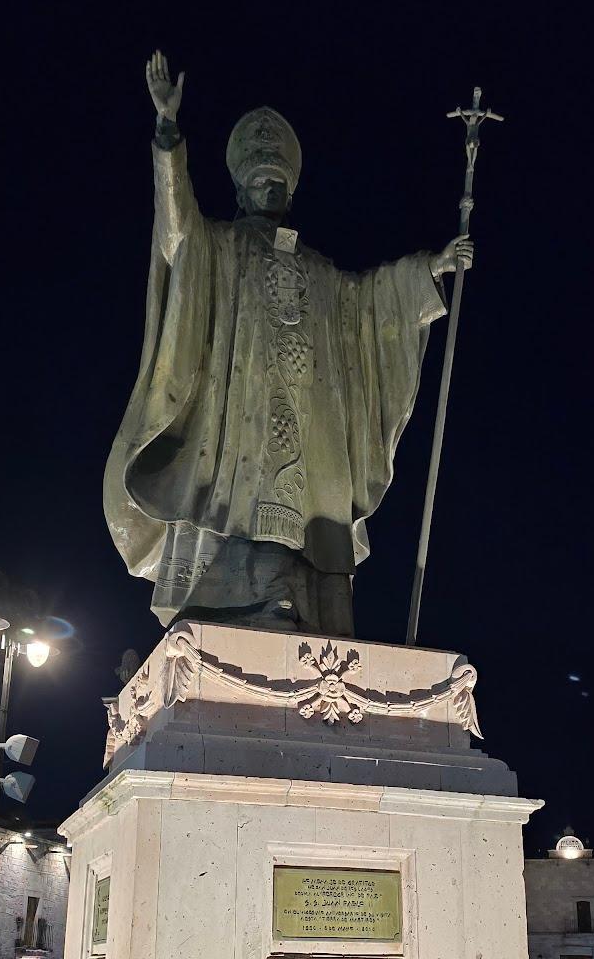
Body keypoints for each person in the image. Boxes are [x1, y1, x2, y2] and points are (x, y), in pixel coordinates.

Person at [105, 52, 471, 634]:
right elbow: (178, 235)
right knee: (239, 523)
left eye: (278, 183)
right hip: (239, 433)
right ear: (242, 191)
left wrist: (428, 272)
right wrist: (169, 140)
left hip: (308, 435)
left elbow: (367, 305)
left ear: (291, 190)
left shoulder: (319, 271)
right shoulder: (222, 248)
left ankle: (304, 606)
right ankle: (236, 603)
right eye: (259, 182)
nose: (269, 190)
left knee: (307, 527)